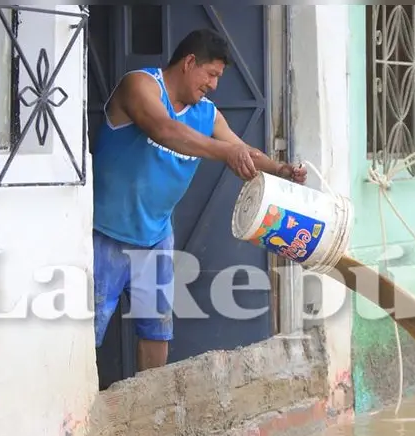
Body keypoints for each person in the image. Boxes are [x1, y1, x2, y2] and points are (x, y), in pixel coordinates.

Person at [91, 28, 307, 372]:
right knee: (87, 329)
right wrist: (225, 153)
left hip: (156, 236)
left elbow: (243, 150)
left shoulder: (206, 113)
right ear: (189, 62)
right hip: (104, 233)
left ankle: (151, 407)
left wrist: (280, 169)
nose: (214, 85)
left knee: (156, 331)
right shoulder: (141, 85)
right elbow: (164, 129)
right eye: (212, 74)